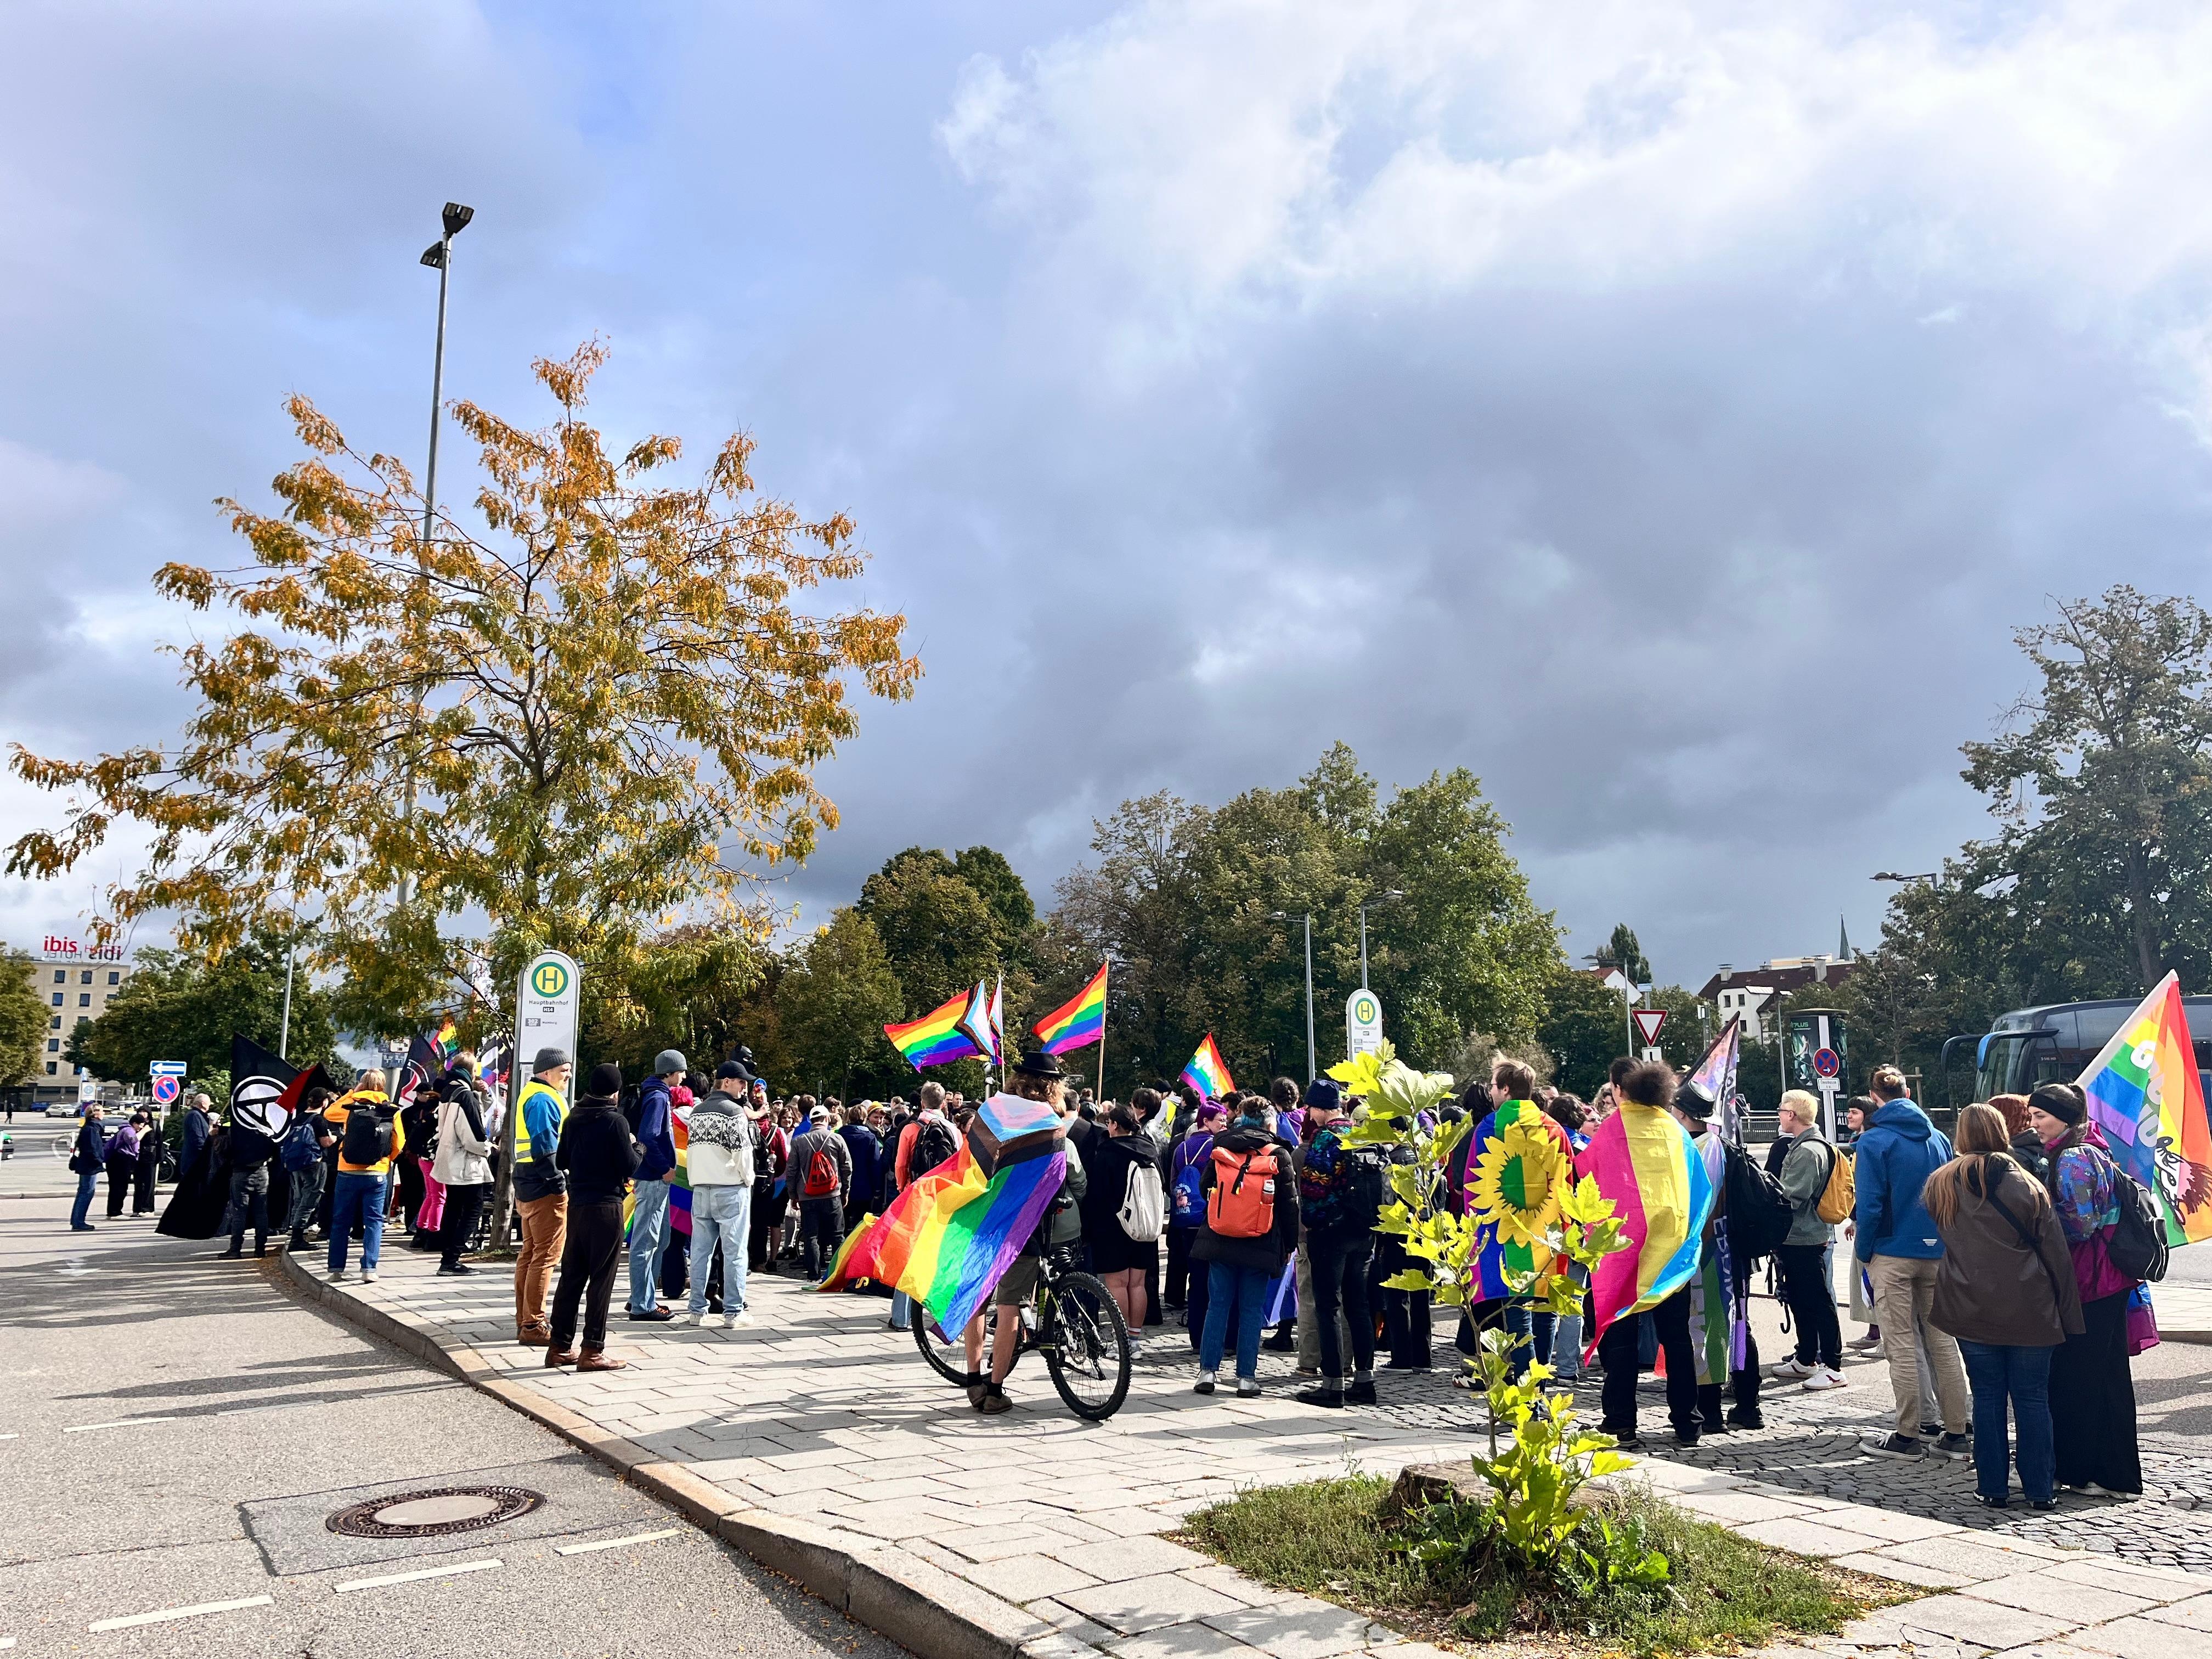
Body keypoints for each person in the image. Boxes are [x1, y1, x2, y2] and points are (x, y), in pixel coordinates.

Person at [1925, 1102, 2082, 1511]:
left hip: (1970, 1305)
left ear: (1961, 1135)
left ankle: (1992, 1487)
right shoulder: (2029, 1186)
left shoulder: (1940, 1184)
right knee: (2032, 1399)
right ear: (2003, 1133)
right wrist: (2070, 1313)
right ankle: (2040, 1489)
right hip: (2030, 1305)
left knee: (1988, 1396)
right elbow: (2056, 1256)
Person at [2029, 1081, 2143, 1497]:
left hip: (2091, 1280)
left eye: (2041, 1116)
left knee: (2077, 1378)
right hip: (2108, 1279)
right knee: (2108, 1377)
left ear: (2062, 1116)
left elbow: (2079, 1225)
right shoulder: (2092, 1145)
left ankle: (2078, 1471)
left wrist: (2035, 1215)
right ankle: (2116, 1475)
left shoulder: (2074, 1158)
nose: (2035, 1124)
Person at [1853, 1064, 1970, 1461]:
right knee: (1943, 1343)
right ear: (1908, 1092)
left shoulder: (1873, 1142)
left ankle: (1908, 1435)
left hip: (1892, 1250)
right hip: (1935, 1250)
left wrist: (1864, 1252)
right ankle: (1956, 1433)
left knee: (1901, 1345)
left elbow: (1869, 1206)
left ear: (1874, 1098)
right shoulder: (1938, 1138)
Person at [968, 1050, 1088, 1415]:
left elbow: (971, 1164)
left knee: (977, 1300)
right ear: (1053, 1089)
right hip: (1026, 1227)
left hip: (984, 1223)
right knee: (1010, 1308)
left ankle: (973, 1378)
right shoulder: (1051, 1128)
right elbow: (1067, 1181)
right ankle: (994, 1389)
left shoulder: (988, 1116)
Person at [1594, 1062, 1704, 1450]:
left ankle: (1621, 1423)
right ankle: (1688, 1423)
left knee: (1621, 1340)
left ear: (1624, 1091)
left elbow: (1587, 1180)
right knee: (1677, 1341)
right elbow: (1698, 1187)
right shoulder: (1675, 1131)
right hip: (1671, 1253)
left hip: (1624, 1254)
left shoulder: (1612, 1129)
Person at [1192, 1092, 1300, 1398]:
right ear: (1269, 1122)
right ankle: (1246, 1379)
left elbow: (1204, 1187)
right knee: (1252, 1310)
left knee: (1218, 1305)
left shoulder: (1222, 1144)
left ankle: (1207, 1372)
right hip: (1261, 1240)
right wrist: (1290, 1244)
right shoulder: (1279, 1154)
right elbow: (1289, 1205)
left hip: (1221, 1236)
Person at [547, 1063, 642, 1372]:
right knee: (602, 1279)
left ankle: (560, 1346)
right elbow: (630, 1166)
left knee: (572, 1277)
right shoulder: (616, 1122)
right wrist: (637, 1146)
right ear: (615, 1091)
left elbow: (561, 1159)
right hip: (606, 1206)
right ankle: (592, 1350)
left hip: (578, 1205)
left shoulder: (574, 1118)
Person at [1294, 1085, 1378, 1408]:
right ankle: (1365, 1382)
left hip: (1332, 1233)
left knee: (1328, 1306)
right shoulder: (1361, 1134)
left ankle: (1333, 1386)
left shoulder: (1326, 1138)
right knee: (1359, 1306)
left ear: (1319, 1108)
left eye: (1311, 1108)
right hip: (1363, 1230)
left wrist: (1313, 1226)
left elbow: (1314, 1188)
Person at [1768, 1090, 1847, 1390]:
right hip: (1801, 1236)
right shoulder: (1806, 1145)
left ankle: (1833, 1365)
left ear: (1792, 1115)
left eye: (1781, 1110)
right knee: (1801, 1298)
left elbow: (1791, 1198)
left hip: (1806, 1237)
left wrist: (1765, 1193)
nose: (1778, 1115)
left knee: (1816, 1299)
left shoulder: (1807, 1151)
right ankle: (1806, 1359)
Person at [1083, 1095, 1164, 1347]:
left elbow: (1096, 1194)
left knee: (1117, 1284)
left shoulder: (1107, 1154)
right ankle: (1135, 1338)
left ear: (1115, 1125)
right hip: (1144, 1225)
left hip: (1112, 1226)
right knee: (1138, 1283)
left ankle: (1122, 1341)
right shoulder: (1150, 1151)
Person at [682, 1062, 757, 1328]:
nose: (744, 1088)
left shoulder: (698, 1112)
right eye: (741, 1082)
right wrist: (748, 1180)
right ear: (726, 1082)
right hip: (729, 1188)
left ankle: (696, 1310)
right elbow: (743, 1153)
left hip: (701, 1188)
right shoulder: (735, 1113)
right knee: (734, 1252)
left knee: (700, 1252)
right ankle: (733, 1312)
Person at [511, 1048, 573, 1345]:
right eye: (564, 1070)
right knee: (545, 1255)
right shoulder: (543, 1099)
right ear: (547, 1072)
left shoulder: (532, 1094)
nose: (568, 1076)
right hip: (543, 1184)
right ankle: (534, 1325)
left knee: (531, 1252)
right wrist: (558, 1183)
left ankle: (525, 1320)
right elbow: (545, 1145)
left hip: (528, 1180)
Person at [886, 1083, 958, 1329]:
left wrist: (902, 1189)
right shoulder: (953, 1129)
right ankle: (943, 1315)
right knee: (940, 1255)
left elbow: (900, 1164)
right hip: (944, 1199)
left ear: (922, 1103)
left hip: (915, 1197)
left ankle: (901, 1317)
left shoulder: (910, 1129)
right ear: (944, 1103)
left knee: (909, 1255)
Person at [326, 1070, 400, 1281]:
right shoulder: (391, 1110)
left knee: (341, 1220)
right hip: (377, 1172)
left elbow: (328, 1114)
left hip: (348, 1170)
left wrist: (351, 1093)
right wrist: (384, 1159)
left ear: (362, 1084)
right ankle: (369, 1269)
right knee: (374, 1221)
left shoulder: (351, 1106)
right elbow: (399, 1141)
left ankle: (336, 1269)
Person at [433, 1055, 494, 1274]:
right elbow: (473, 1134)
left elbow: (475, 1112)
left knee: (453, 1209)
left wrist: (483, 1094)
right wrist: (487, 1148)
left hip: (449, 1159)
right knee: (473, 1209)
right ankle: (453, 1258)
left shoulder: (449, 1090)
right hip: (466, 1163)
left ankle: (447, 1257)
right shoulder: (465, 1095)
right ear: (472, 1071)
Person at [788, 1101, 853, 1283]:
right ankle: (837, 1275)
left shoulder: (799, 1141)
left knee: (811, 1236)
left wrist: (793, 1196)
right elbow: (847, 1167)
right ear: (826, 1119)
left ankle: (813, 1275)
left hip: (807, 1196)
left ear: (812, 1120)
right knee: (837, 1236)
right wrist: (845, 1191)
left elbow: (792, 1170)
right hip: (832, 1194)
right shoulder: (836, 1139)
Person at [285, 1088, 338, 1252]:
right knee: (311, 1199)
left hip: (296, 1163)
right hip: (314, 1163)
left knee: (300, 1198)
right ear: (324, 1103)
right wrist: (338, 1136)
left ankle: (295, 1232)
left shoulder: (298, 1118)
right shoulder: (319, 1120)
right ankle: (297, 1238)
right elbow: (326, 1142)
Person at [839, 1102, 883, 1234]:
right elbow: (875, 1164)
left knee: (843, 1223)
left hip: (842, 1185)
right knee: (861, 1224)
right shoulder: (869, 1138)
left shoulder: (839, 1135)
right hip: (864, 1186)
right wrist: (877, 1189)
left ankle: (841, 1251)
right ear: (865, 1119)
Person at [68, 1100, 108, 1231]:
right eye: (102, 1111)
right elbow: (93, 1148)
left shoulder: (90, 1127)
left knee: (84, 1192)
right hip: (89, 1166)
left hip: (86, 1164)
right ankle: (79, 1222)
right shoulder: (92, 1129)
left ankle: (77, 1221)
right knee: (86, 1192)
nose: (103, 1114)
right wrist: (99, 1160)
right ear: (95, 1114)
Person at [104, 1111, 141, 1219]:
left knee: (116, 1186)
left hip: (118, 1160)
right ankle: (115, 1212)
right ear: (135, 1123)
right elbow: (132, 1140)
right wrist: (144, 1132)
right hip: (121, 1160)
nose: (141, 1128)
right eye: (140, 1125)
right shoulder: (128, 1130)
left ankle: (113, 1211)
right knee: (120, 1186)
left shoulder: (126, 1129)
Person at [177, 1091, 214, 1186]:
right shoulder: (195, 1116)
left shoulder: (198, 1116)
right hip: (194, 1162)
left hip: (196, 1161)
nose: (210, 1105)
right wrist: (209, 1152)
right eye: (209, 1103)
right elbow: (197, 1139)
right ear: (203, 1104)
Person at [132, 1110, 164, 1214]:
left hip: (151, 1157)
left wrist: (159, 1157)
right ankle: (137, 1208)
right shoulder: (136, 1125)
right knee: (138, 1184)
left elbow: (159, 1141)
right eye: (140, 1111)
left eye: (144, 1112)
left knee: (149, 1184)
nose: (142, 1114)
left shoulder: (154, 1125)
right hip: (138, 1157)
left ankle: (148, 1208)